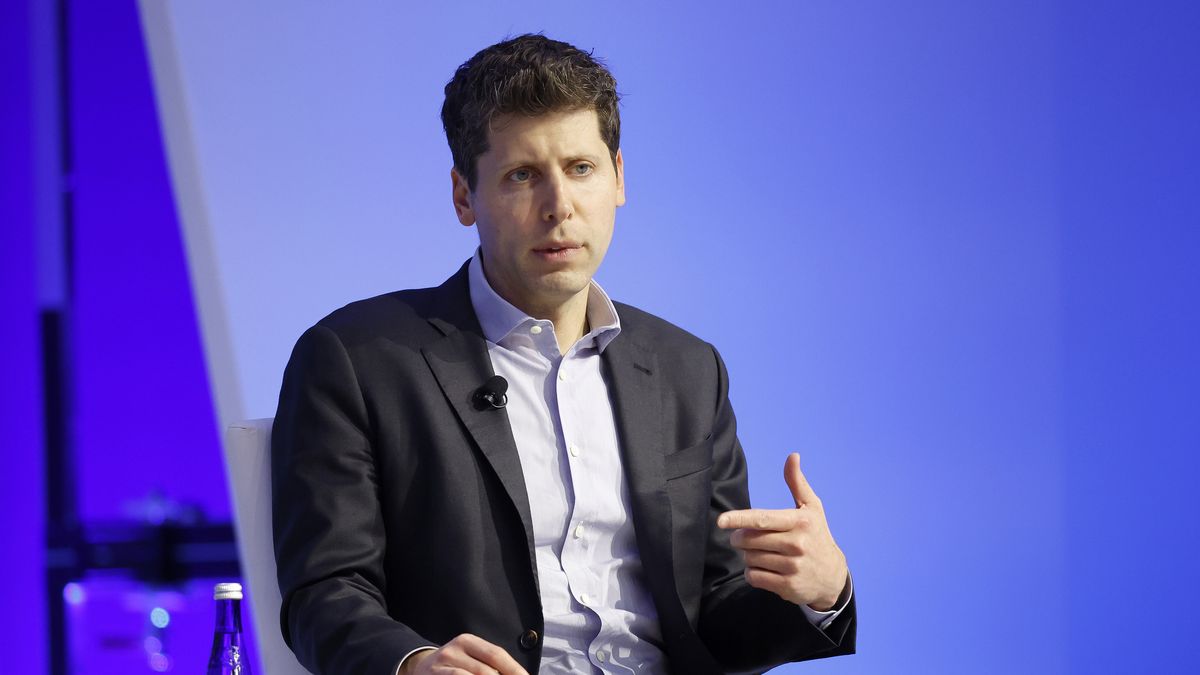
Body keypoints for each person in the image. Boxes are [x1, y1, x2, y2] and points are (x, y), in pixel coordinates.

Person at [272, 34, 855, 675]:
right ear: (464, 196)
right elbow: (325, 591)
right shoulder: (358, 359)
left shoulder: (689, 370)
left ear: (618, 177)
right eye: (522, 176)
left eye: (581, 169)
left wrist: (819, 594)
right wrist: (414, 664)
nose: (560, 208)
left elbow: (714, 615)